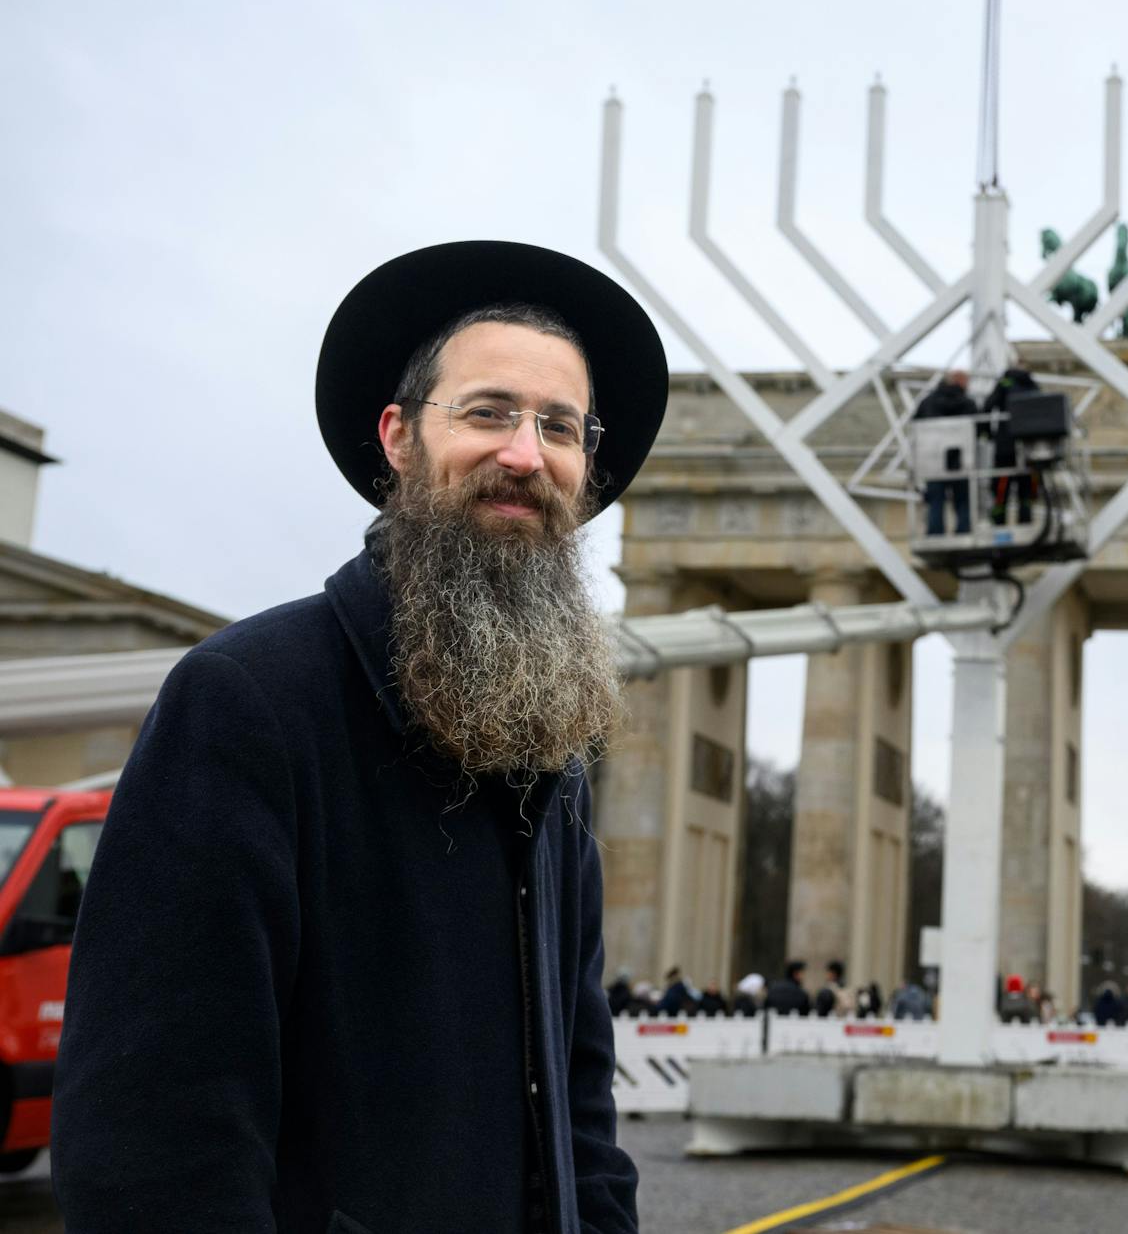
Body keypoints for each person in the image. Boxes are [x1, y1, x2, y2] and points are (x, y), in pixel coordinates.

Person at [51, 241, 668, 1232]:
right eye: (488, 411)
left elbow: (579, 1102)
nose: (525, 453)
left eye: (559, 426)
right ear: (398, 436)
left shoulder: (553, 748)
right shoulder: (246, 702)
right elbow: (152, 1139)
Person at [912, 369, 977, 535]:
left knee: (935, 500)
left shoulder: (928, 402)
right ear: (961, 382)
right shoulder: (967, 403)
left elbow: (916, 425)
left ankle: (935, 532)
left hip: (933, 458)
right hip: (961, 458)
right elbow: (979, 428)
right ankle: (963, 530)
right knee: (962, 500)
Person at [982, 367, 1039, 525]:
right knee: (1027, 486)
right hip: (1029, 445)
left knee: (1001, 484)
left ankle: (999, 522)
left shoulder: (1004, 384)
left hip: (1005, 445)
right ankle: (1026, 519)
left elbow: (988, 406)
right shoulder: (1032, 385)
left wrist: (988, 433)